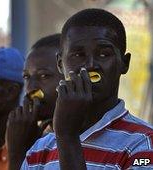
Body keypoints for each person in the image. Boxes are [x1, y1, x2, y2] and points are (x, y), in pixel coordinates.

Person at [21, 8, 153, 170]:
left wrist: (67, 137)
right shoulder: (39, 151)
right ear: (60, 64)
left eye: (104, 54)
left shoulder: (144, 143)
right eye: (78, 55)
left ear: (124, 63)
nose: (91, 65)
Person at [6, 34, 64, 170]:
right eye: (27, 77)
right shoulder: (42, 139)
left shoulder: (83, 140)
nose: (30, 88)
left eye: (44, 76)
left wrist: (17, 154)